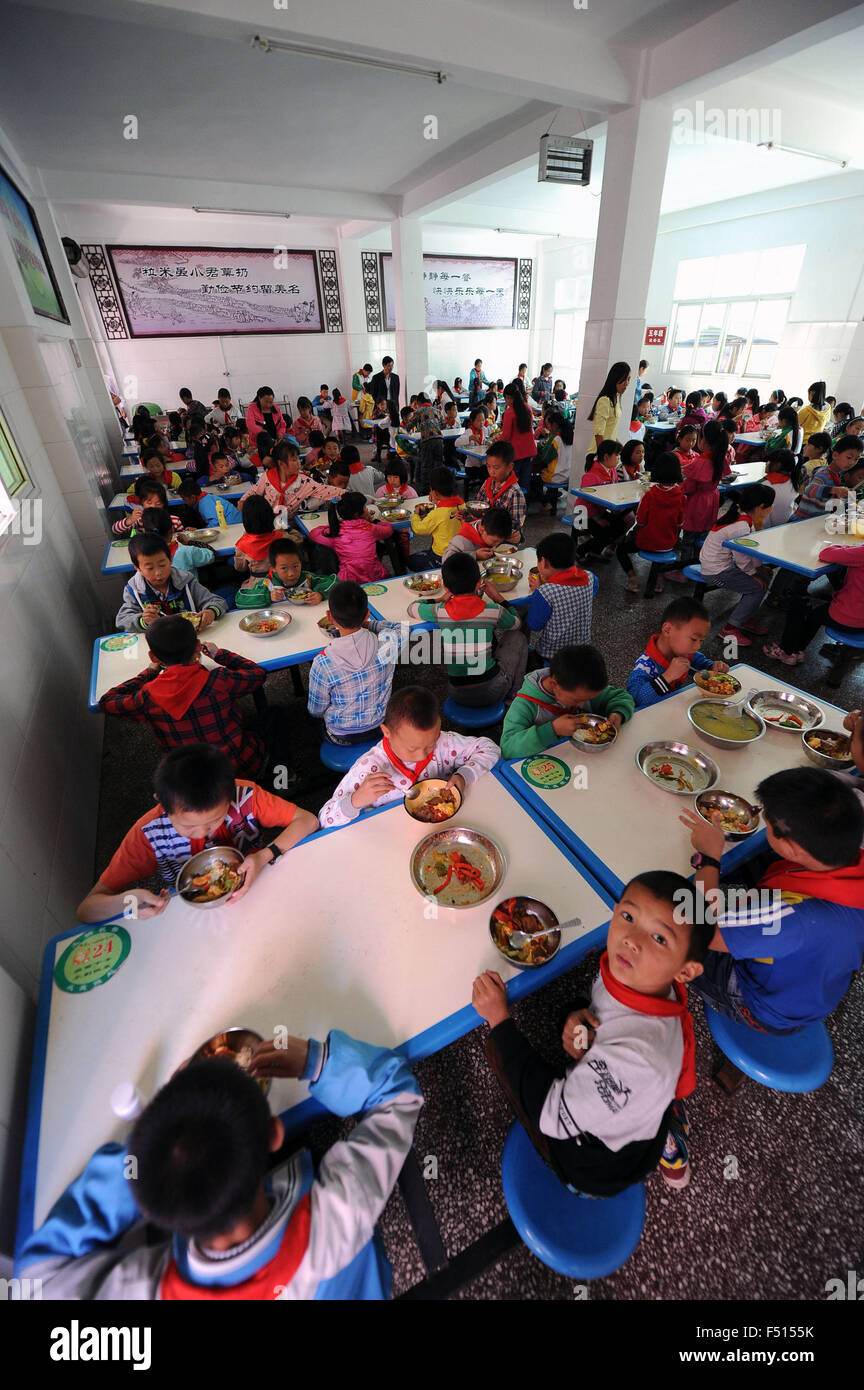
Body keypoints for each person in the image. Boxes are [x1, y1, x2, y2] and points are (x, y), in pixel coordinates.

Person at [17, 1024, 423, 1300]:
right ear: (274, 1134)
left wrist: (153, 1146)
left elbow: (34, 1282)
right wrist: (317, 1061)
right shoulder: (338, 1216)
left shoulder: (141, 1289)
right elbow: (398, 1096)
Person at [471, 870, 710, 1194]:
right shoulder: (638, 976)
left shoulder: (641, 1061)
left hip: (594, 1162)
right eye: (628, 916)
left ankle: (581, 1181)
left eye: (659, 938)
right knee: (571, 1015)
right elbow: (601, 1017)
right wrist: (577, 1023)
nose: (631, 940)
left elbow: (550, 1113)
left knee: (498, 1053)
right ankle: (652, 1120)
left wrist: (499, 1020)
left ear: (686, 971)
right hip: (627, 1088)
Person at [682, 768, 864, 1034]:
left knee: (679, 920)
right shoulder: (851, 862)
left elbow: (704, 929)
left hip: (765, 1008)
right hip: (809, 985)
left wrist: (708, 856)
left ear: (792, 848)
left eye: (766, 822)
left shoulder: (792, 917)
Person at [77, 744, 317, 922]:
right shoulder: (150, 834)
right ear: (162, 803)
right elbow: (86, 910)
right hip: (197, 915)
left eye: (214, 821)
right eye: (188, 827)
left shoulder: (245, 796)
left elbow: (308, 820)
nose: (202, 833)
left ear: (229, 793)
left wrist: (263, 856)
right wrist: (128, 903)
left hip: (262, 882)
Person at [98, 614, 271, 780]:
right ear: (197, 646)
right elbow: (257, 674)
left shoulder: (147, 697)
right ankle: (284, 778)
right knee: (273, 716)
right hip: (238, 769)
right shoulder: (220, 680)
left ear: (153, 657)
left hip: (189, 783)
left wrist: (149, 672)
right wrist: (219, 654)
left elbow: (106, 702)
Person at [318, 685, 499, 829]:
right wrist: (355, 800)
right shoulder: (369, 768)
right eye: (412, 748)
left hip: (446, 825)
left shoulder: (443, 742)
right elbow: (324, 820)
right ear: (387, 732)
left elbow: (490, 748)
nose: (422, 755)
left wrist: (464, 775)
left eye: (429, 745)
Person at [417, 552, 528, 708]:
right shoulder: (493, 610)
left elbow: (412, 608)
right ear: (478, 584)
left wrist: (439, 599)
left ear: (446, 587)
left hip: (456, 693)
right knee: (518, 637)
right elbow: (516, 623)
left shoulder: (439, 611)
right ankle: (514, 693)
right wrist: (498, 597)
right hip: (493, 691)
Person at [501, 643, 633, 760]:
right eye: (577, 700)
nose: (583, 704)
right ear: (554, 684)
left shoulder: (583, 689)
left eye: (588, 699)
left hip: (584, 760)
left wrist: (618, 713)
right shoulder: (524, 705)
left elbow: (622, 697)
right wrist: (552, 730)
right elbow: (508, 748)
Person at [307, 581, 401, 743]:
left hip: (342, 734)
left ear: (330, 617)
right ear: (367, 614)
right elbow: (402, 629)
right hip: (381, 726)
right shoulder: (387, 644)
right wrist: (370, 625)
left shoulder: (322, 664)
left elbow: (316, 710)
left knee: (311, 720)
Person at [764, 530, 864, 666]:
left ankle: (787, 651)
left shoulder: (861, 553)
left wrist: (847, 548)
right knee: (817, 610)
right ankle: (796, 651)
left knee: (798, 602)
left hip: (852, 619)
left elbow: (826, 553)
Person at [697, 483, 775, 646]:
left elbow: (750, 550)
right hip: (715, 572)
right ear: (761, 506)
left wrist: (759, 568)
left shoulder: (739, 514)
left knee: (764, 578)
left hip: (720, 565)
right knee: (757, 587)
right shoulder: (741, 526)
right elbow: (742, 558)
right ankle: (729, 628)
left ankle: (744, 618)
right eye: (771, 505)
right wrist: (753, 573)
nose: (772, 508)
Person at [626, 597, 728, 708]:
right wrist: (668, 676)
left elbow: (702, 666)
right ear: (668, 630)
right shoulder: (645, 666)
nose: (698, 646)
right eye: (693, 639)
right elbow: (635, 700)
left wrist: (713, 667)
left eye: (701, 641)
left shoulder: (685, 653)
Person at [116, 534, 227, 633]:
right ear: (137, 567)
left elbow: (218, 601)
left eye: (162, 565)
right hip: (158, 644)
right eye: (150, 568)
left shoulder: (186, 582)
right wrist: (143, 621)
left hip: (191, 638)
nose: (158, 573)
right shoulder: (134, 590)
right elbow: (122, 620)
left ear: (170, 559)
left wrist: (211, 611)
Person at [617, 452, 685, 596]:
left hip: (646, 541)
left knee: (621, 549)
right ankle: (659, 579)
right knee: (664, 545)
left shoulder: (650, 495)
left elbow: (640, 521)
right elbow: (681, 523)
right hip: (668, 543)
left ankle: (632, 579)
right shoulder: (681, 497)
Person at [524, 532, 594, 661]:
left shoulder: (545, 592)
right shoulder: (589, 577)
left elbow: (534, 625)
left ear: (543, 562)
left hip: (552, 656)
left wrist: (538, 592)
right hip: (582, 650)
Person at [309, 491, 393, 583]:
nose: (367, 509)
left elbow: (313, 534)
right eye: (365, 507)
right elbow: (388, 530)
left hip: (348, 579)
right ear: (357, 514)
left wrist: (332, 526)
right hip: (374, 575)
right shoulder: (370, 528)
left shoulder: (336, 532)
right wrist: (378, 522)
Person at [575, 440, 631, 560]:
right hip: (583, 513)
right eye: (616, 455)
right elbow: (586, 501)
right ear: (606, 457)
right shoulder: (591, 476)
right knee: (606, 531)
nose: (619, 458)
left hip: (599, 511)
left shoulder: (612, 470)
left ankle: (594, 552)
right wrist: (597, 519)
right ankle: (580, 551)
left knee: (621, 525)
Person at [793, 435, 864, 520]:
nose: (852, 462)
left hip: (815, 523)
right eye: (849, 457)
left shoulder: (837, 475)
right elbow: (809, 489)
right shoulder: (823, 474)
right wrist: (835, 490)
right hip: (801, 522)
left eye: (856, 459)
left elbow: (826, 502)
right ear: (835, 455)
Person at [407, 465, 464, 570]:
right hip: (461, 553)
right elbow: (447, 513)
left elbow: (419, 529)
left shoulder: (437, 513)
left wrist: (416, 515)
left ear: (435, 492)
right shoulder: (462, 505)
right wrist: (438, 502)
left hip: (441, 556)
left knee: (410, 561)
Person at [141, 507, 215, 575]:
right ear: (172, 529)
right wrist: (188, 542)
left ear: (144, 532)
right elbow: (211, 555)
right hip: (189, 589)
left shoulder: (142, 556)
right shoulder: (186, 551)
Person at [477, 440, 525, 542]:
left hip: (502, 540)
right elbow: (478, 505)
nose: (491, 471)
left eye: (496, 467)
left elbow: (516, 525)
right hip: (484, 534)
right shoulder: (487, 484)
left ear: (510, 467)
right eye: (488, 466)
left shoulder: (514, 493)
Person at [265, 537, 334, 604]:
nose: (291, 573)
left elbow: (334, 581)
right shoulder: (268, 583)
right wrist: (268, 597)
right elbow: (253, 599)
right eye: (284, 568)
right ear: (273, 568)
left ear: (301, 562)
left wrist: (320, 594)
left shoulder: (308, 577)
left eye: (295, 566)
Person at [498, 380, 537, 493]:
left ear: (509, 397)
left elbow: (505, 436)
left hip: (516, 453)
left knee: (513, 484)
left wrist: (496, 440)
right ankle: (525, 506)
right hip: (529, 451)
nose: (506, 401)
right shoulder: (528, 408)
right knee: (525, 484)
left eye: (506, 398)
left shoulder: (510, 413)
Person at [114, 478, 185, 537]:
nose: (153, 507)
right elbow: (115, 530)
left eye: (158, 503)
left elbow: (182, 538)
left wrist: (187, 532)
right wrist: (130, 520)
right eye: (149, 503)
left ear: (164, 504)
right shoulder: (140, 521)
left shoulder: (175, 520)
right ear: (142, 503)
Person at [234, 495, 283, 580]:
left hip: (258, 585)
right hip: (280, 580)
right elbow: (298, 538)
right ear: (270, 515)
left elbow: (240, 568)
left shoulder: (243, 544)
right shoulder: (280, 536)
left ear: (246, 520)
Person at [587, 362, 630, 453]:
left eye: (628, 379)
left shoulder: (616, 399)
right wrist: (603, 458)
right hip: (598, 454)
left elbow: (610, 434)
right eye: (624, 379)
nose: (627, 383)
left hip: (609, 454)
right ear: (615, 378)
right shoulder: (605, 401)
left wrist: (624, 451)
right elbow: (599, 434)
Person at [442, 506, 511, 562]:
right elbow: (447, 561)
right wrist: (475, 555)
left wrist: (518, 538)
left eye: (500, 541)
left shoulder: (492, 527)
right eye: (494, 541)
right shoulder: (461, 540)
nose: (497, 545)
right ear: (482, 530)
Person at [406, 394, 443, 497]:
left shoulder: (419, 411)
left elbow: (409, 425)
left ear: (418, 403)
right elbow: (443, 423)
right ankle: (439, 489)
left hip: (427, 440)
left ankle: (424, 492)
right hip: (439, 440)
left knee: (426, 466)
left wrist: (408, 429)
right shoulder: (436, 410)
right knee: (438, 465)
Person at [176, 478, 242, 530]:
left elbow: (215, 523)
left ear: (192, 497)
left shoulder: (204, 503)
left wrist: (201, 532)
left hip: (235, 526)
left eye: (184, 499)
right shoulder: (205, 498)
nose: (184, 501)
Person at [762, 449, 803, 529]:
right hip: (787, 524)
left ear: (778, 465)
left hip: (767, 529)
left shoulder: (763, 485)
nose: (766, 463)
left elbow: (762, 518)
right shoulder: (794, 481)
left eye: (769, 461)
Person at [369, 357, 400, 428]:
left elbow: (397, 393)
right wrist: (379, 405)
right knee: (382, 425)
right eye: (389, 365)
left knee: (393, 426)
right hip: (382, 405)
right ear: (383, 365)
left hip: (392, 405)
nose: (391, 368)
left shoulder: (396, 377)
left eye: (392, 365)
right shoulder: (376, 377)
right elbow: (373, 394)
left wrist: (397, 406)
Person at [797, 380, 831, 445]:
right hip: (816, 442)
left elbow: (795, 424)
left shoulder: (807, 410)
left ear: (812, 393)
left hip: (803, 441)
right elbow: (827, 421)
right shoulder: (828, 407)